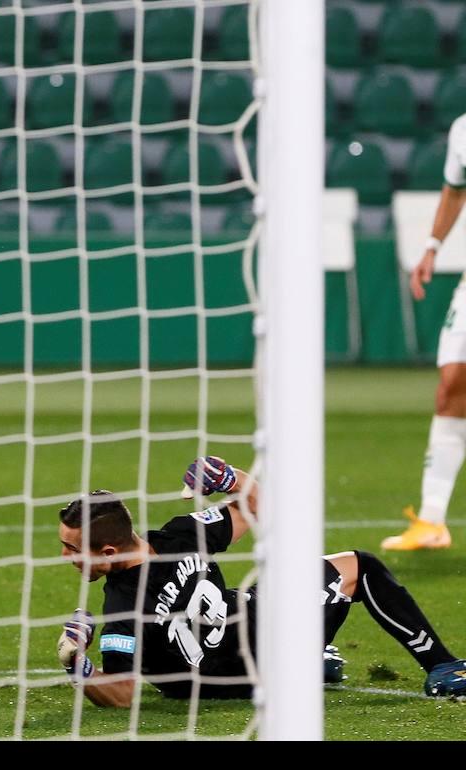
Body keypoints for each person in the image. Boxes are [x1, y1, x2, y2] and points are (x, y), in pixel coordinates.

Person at [55, 456, 466, 707]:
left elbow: (120, 694)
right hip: (260, 658)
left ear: (109, 552)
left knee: (336, 570)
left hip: (254, 640)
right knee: (359, 567)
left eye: (72, 548)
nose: (65, 557)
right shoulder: (181, 536)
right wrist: (232, 480)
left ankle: (312, 661)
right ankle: (442, 667)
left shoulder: (123, 607)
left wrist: (77, 663)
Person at [386, 114, 466, 551]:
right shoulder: (462, 129)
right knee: (451, 387)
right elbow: (455, 190)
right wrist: (432, 247)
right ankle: (433, 519)